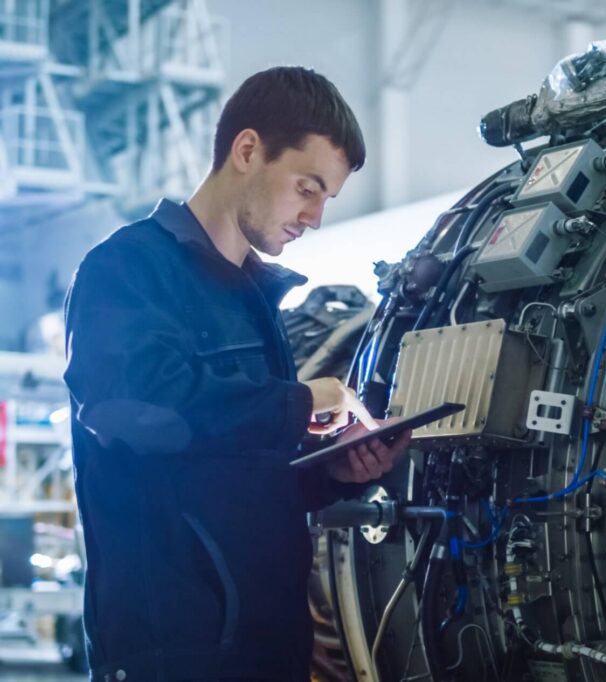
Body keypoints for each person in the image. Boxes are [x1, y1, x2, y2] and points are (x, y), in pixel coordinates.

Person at [63, 66, 411, 681]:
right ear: (247, 150)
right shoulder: (126, 268)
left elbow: (243, 473)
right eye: (308, 187)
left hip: (268, 650)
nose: (315, 217)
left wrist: (335, 472)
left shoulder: (254, 301)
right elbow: (135, 411)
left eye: (326, 198)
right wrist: (297, 404)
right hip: (175, 654)